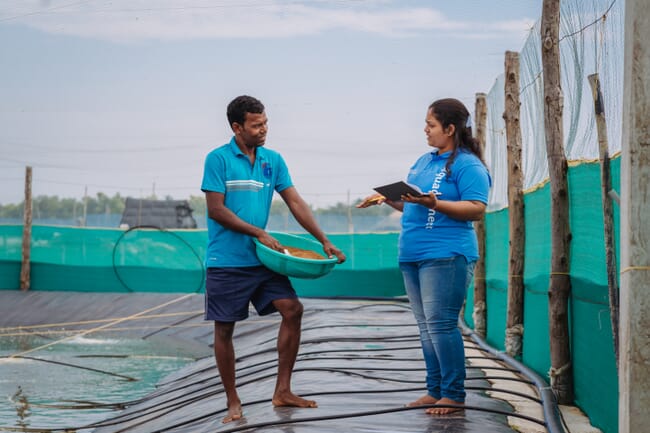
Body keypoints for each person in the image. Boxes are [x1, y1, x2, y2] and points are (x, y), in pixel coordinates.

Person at [201, 95, 346, 423]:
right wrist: (257, 232)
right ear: (237, 128)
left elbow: (295, 202)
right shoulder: (218, 159)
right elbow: (216, 210)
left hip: (262, 259)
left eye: (265, 122)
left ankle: (283, 391)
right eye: (256, 125)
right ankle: (233, 401)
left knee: (293, 310)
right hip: (227, 260)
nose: (263, 129)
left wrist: (323, 241)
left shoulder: (272, 160)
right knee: (225, 329)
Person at [357, 98, 491, 415]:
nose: (426, 131)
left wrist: (435, 204)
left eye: (431, 125)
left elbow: (477, 208)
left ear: (450, 128)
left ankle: (454, 394)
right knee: (426, 326)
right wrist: (387, 199)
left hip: (446, 255)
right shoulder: (424, 161)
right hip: (413, 254)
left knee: (442, 325)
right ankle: (435, 390)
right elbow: (412, 203)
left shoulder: (468, 165)